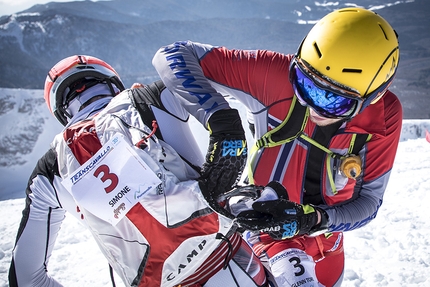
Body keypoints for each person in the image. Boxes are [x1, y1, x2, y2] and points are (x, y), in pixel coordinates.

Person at [152, 7, 402, 287]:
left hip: (326, 247)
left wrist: (314, 220)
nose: (311, 104)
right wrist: (222, 121)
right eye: (305, 84)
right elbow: (172, 55)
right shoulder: (274, 74)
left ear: (374, 96)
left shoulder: (385, 114)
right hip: (262, 232)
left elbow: (368, 201)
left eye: (334, 102)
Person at [8, 55, 271, 287]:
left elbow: (26, 279)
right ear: (112, 83)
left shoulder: (49, 172)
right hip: (230, 263)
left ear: (62, 111)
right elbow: (248, 83)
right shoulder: (151, 98)